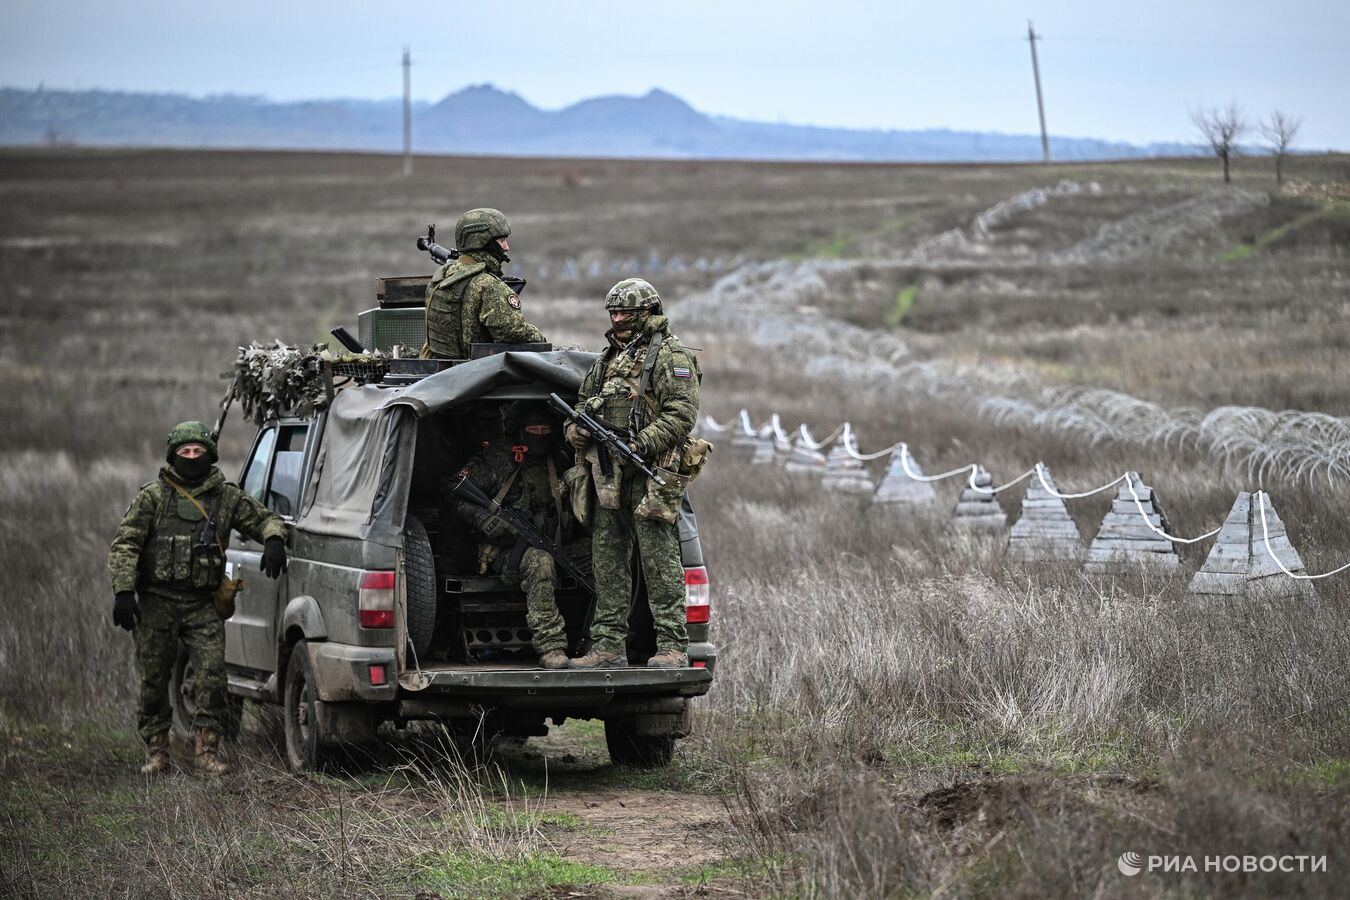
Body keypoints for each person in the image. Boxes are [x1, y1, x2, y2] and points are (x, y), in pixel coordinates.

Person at [108, 421, 288, 776]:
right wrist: (124, 591)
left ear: (210, 454)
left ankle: (207, 752)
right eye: (185, 452)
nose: (192, 457)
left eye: (198, 451)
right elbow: (125, 544)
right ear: (173, 455)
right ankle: (157, 752)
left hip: (203, 604)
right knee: (153, 679)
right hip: (157, 602)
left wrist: (273, 539)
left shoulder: (225, 497)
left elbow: (265, 519)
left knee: (212, 678)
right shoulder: (153, 498)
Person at [567, 278, 701, 670]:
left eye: (625, 312)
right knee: (607, 562)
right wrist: (575, 431)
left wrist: (642, 443)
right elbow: (581, 406)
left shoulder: (670, 355)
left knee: (660, 562)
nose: (617, 318)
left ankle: (673, 646)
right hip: (609, 475)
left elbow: (682, 414)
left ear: (647, 313)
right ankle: (608, 646)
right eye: (613, 312)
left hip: (650, 472)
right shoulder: (608, 358)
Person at [444, 402, 580, 669]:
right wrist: (483, 518)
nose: (539, 435)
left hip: (555, 545)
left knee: (605, 556)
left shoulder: (559, 459)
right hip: (506, 554)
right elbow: (451, 487)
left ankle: (603, 642)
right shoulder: (499, 459)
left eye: (544, 430)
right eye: (533, 430)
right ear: (520, 430)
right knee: (539, 561)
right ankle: (551, 647)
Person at [421, 207, 545, 359]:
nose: (506, 247)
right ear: (483, 242)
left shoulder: (441, 276)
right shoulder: (488, 286)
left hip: (440, 367)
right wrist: (540, 337)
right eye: (501, 240)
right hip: (476, 370)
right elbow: (515, 333)